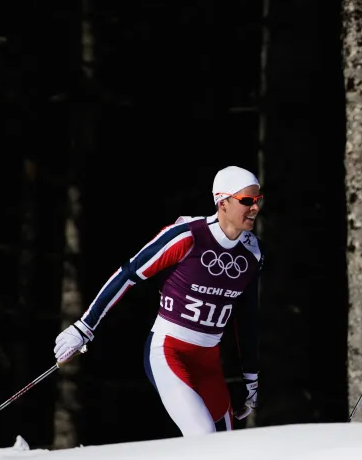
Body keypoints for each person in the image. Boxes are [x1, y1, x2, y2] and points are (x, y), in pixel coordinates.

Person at [53, 165, 263, 436]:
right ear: (222, 202)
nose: (255, 208)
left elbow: (247, 316)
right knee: (203, 436)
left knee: (225, 445)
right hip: (168, 351)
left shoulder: (252, 252)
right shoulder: (187, 236)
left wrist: (251, 377)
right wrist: (84, 327)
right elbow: (128, 274)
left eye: (258, 201)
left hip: (208, 362)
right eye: (247, 201)